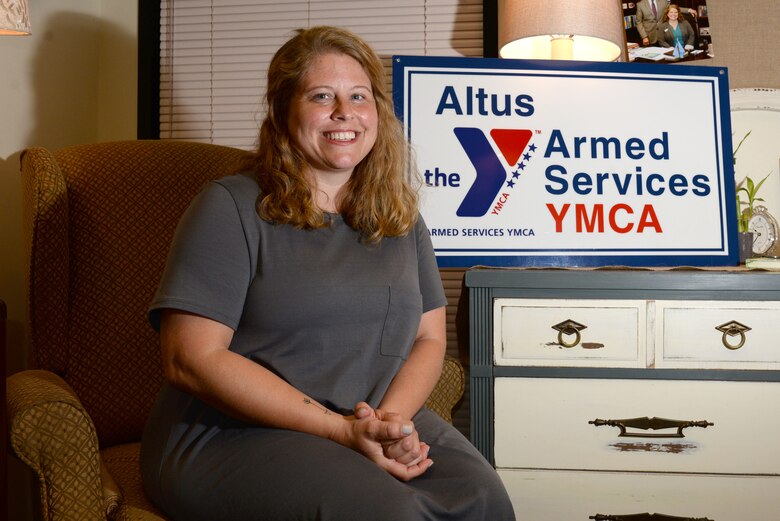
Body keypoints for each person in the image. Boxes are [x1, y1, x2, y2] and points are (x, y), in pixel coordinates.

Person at [140, 25, 516, 521]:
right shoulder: (228, 206)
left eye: (358, 96)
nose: (345, 112)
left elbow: (428, 339)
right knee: (388, 514)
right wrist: (342, 432)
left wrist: (393, 424)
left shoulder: (401, 217)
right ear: (282, 111)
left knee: (484, 501)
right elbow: (190, 358)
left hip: (373, 417)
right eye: (322, 96)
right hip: (238, 433)